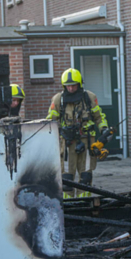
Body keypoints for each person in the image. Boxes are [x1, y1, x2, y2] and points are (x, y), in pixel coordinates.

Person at [45, 69, 113, 197]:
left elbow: (99, 116)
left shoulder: (89, 97)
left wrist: (104, 129)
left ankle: (84, 202)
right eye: (68, 85)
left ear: (80, 84)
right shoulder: (59, 99)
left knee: (86, 177)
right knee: (66, 178)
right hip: (67, 144)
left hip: (87, 142)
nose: (70, 88)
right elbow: (50, 120)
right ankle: (68, 205)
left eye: (74, 85)